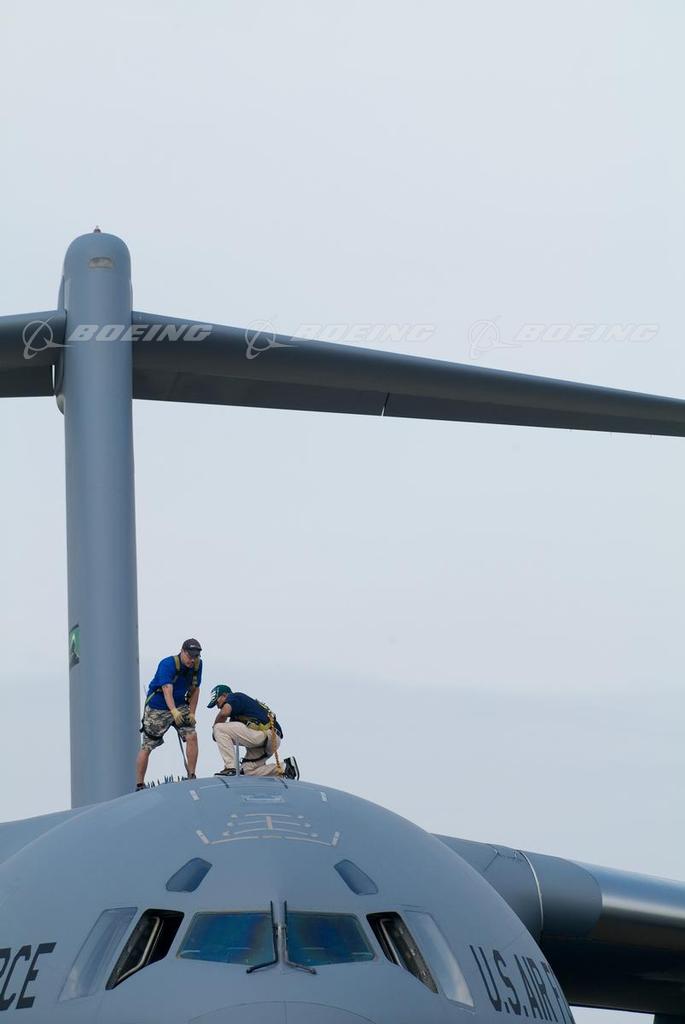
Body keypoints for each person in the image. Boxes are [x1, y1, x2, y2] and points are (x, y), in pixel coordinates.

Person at [135, 639, 203, 790]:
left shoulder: (197, 665)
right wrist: (173, 712)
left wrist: (192, 713)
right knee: (147, 745)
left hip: (179, 704)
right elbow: (167, 689)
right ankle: (139, 784)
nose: (192, 660)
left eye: (195, 656)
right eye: (190, 656)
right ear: (182, 651)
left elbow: (195, 689)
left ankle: (191, 775)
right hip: (158, 707)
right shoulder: (167, 664)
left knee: (192, 735)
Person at [207, 685, 283, 777]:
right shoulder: (237, 713)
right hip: (271, 740)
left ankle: (231, 768)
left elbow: (224, 713)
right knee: (247, 771)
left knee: (219, 728)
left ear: (224, 695)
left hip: (267, 734)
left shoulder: (235, 697)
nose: (218, 707)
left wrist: (214, 729)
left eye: (217, 702)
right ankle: (285, 768)